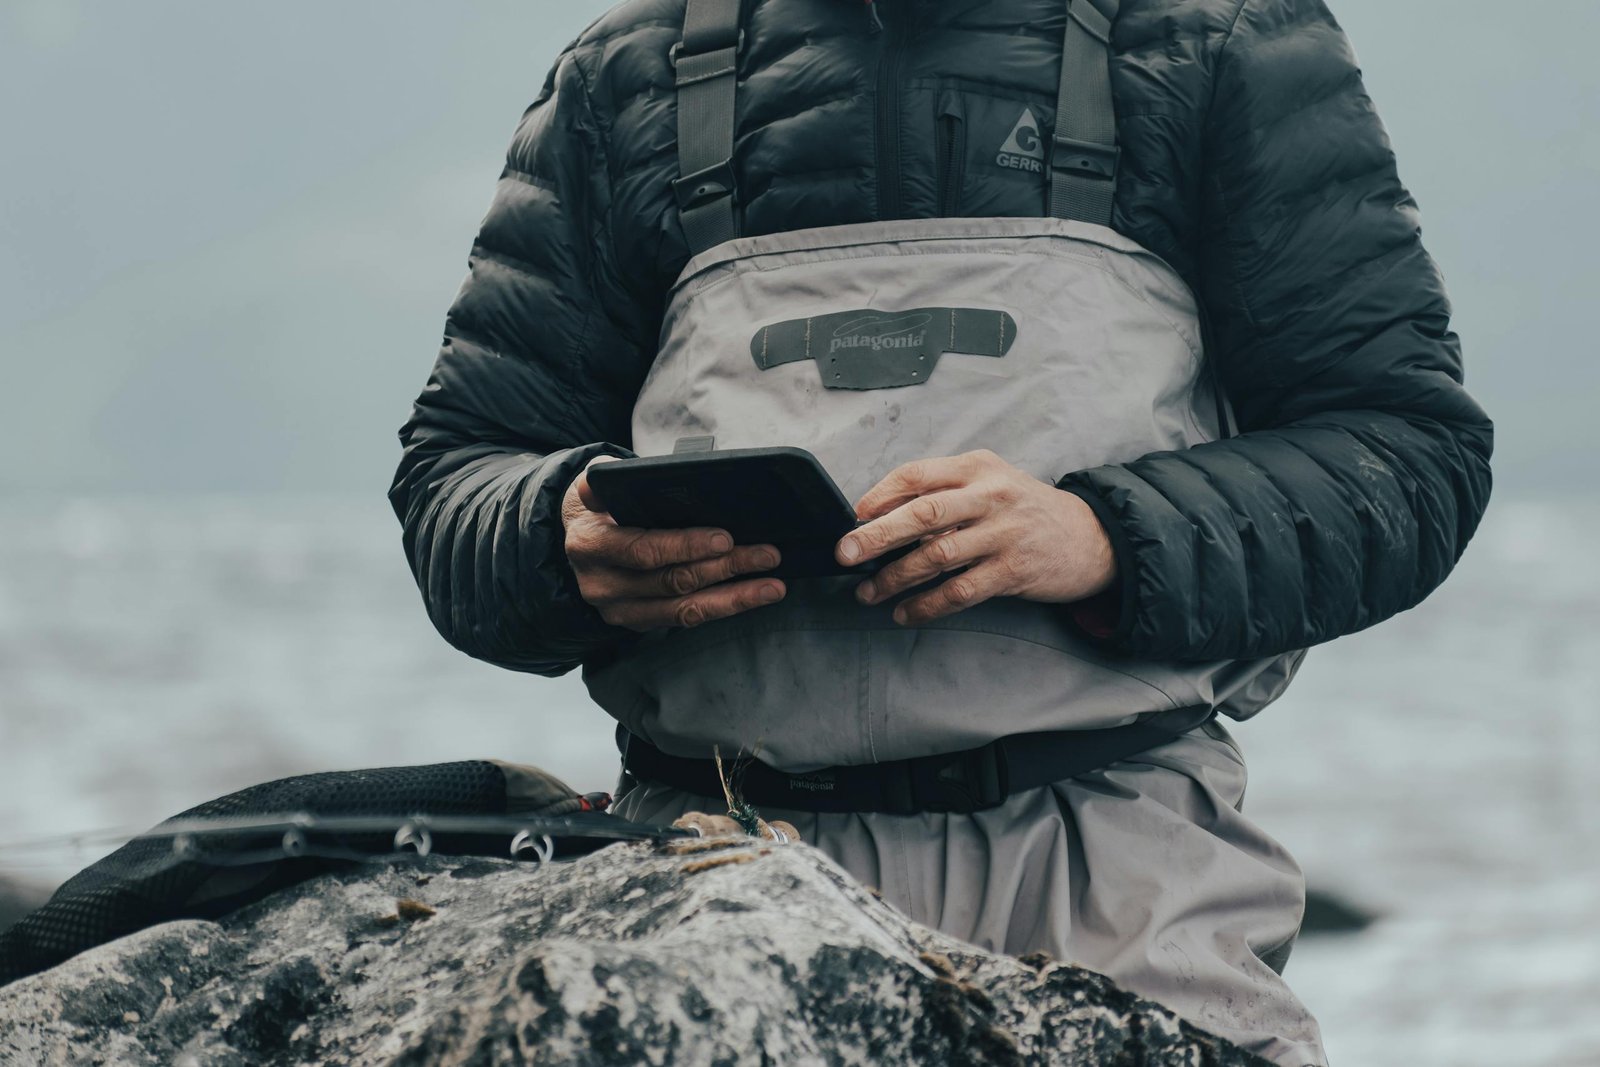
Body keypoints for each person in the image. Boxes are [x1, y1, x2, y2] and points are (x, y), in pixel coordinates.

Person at [389, 1, 1492, 1063]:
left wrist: (1100, 536)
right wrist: (557, 537)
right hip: (705, 870)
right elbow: (457, 471)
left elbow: (1407, 452)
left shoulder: (1218, 41)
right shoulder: (624, 71)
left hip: (1112, 871)